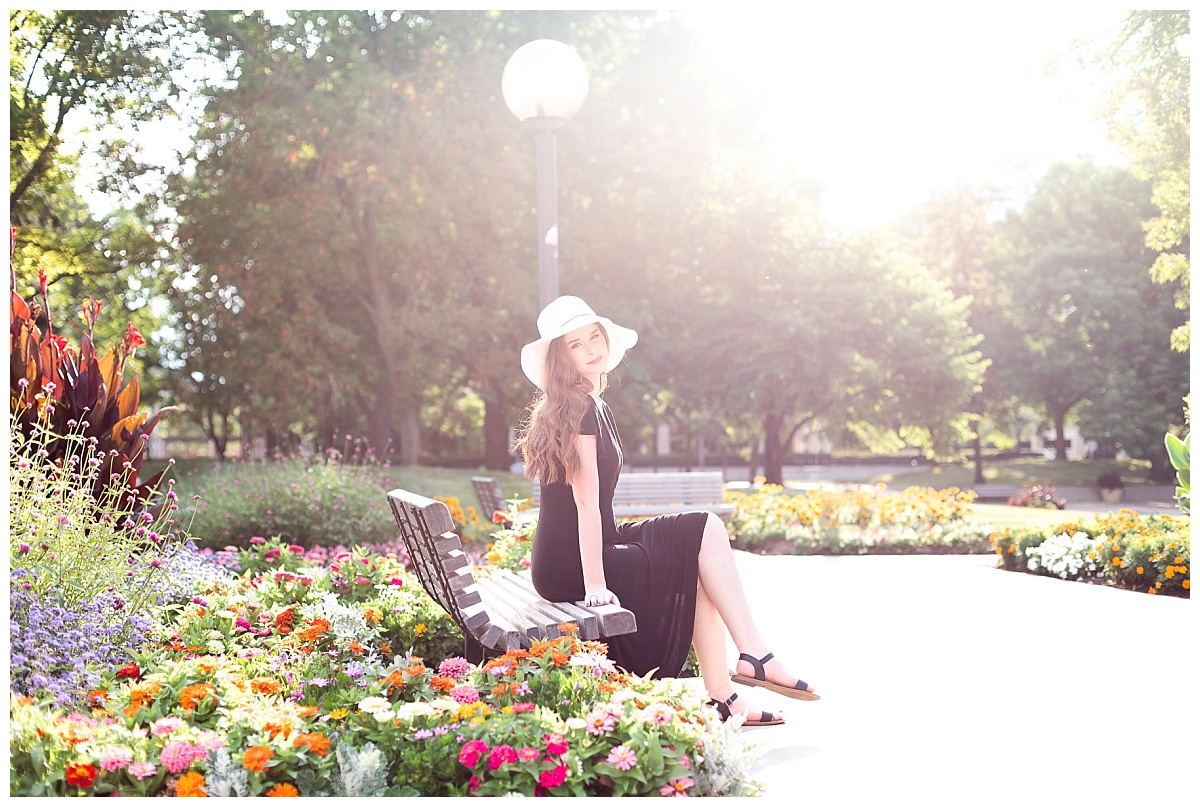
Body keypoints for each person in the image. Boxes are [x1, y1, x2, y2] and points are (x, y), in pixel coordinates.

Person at [515, 295, 818, 727]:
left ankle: (738, 679)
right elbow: (583, 502)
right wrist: (595, 584)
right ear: (561, 357)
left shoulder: (584, 402)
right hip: (574, 566)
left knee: (702, 534)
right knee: (693, 549)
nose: (591, 349)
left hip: (595, 544)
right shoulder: (578, 410)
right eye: (576, 345)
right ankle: (744, 672)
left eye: (594, 337)